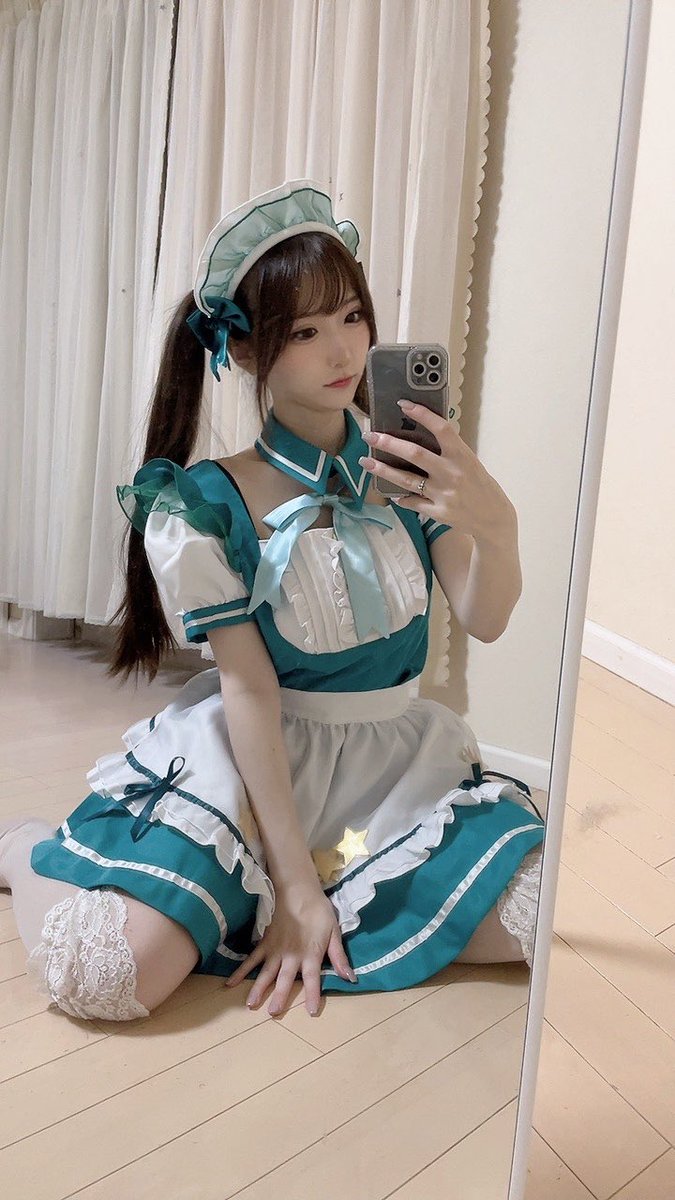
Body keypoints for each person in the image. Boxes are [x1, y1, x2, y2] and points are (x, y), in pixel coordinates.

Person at [0, 180, 544, 1024]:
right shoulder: (207, 504)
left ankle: (257, 908)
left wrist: (496, 528)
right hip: (258, 770)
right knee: (103, 978)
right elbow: (250, 690)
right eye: (305, 331)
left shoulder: (405, 470)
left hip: (390, 772)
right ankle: (25, 848)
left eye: (352, 317)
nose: (343, 349)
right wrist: (293, 885)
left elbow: (486, 617)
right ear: (249, 352)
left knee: (540, 915)